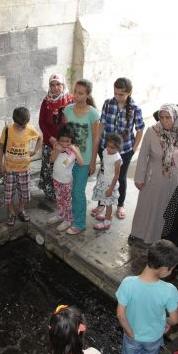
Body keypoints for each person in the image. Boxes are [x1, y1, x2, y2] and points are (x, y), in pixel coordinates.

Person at [113, 239, 178, 354]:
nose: (171, 272)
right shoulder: (169, 290)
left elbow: (120, 314)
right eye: (171, 269)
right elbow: (175, 319)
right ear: (164, 269)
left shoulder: (128, 284)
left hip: (133, 336)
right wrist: (166, 323)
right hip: (154, 337)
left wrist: (129, 331)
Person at [129, 104, 178, 245]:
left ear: (175, 117)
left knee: (168, 208)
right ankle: (139, 233)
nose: (164, 121)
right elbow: (143, 155)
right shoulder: (152, 131)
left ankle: (162, 238)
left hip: (176, 178)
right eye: (161, 117)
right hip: (155, 176)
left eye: (168, 117)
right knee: (148, 206)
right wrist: (139, 178)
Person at [92, 77, 145, 220]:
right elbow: (102, 123)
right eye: (115, 93)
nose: (117, 96)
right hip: (106, 148)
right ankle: (102, 203)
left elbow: (140, 130)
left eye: (121, 94)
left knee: (120, 177)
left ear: (129, 93)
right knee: (104, 176)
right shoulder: (108, 103)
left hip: (124, 151)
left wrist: (133, 149)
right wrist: (98, 142)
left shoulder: (135, 108)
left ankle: (120, 204)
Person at [62, 79, 100, 235]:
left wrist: (93, 161)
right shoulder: (67, 110)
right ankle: (68, 216)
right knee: (67, 189)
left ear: (88, 95)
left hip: (84, 160)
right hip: (68, 158)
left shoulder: (93, 113)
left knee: (78, 191)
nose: (76, 95)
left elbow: (96, 139)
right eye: (75, 91)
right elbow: (64, 134)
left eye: (80, 93)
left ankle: (80, 223)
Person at [0, 107, 41, 226]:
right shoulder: (7, 129)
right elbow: (0, 147)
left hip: (24, 169)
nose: (22, 127)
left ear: (27, 121)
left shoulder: (30, 129)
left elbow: (40, 138)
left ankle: (21, 210)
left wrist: (35, 151)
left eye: (24, 125)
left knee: (24, 193)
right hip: (9, 169)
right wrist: (1, 165)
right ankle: (11, 212)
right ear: (14, 120)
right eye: (19, 125)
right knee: (8, 194)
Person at [38, 74, 74, 201]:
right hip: (50, 143)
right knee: (49, 167)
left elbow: (74, 122)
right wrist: (51, 139)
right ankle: (50, 193)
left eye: (58, 84)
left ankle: (64, 193)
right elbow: (42, 122)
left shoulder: (70, 101)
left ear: (63, 85)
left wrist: (66, 141)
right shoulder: (46, 101)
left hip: (66, 143)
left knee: (64, 167)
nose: (55, 88)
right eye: (52, 85)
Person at [47, 127, 85, 232]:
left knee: (66, 201)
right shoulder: (57, 147)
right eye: (62, 140)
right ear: (58, 139)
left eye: (67, 141)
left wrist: (75, 150)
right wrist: (57, 151)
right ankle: (61, 215)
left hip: (66, 182)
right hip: (56, 179)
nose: (64, 143)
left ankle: (68, 220)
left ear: (72, 140)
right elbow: (51, 160)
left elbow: (81, 163)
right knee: (59, 199)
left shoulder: (73, 151)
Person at [91, 133, 123, 231]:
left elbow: (116, 176)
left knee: (108, 203)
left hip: (110, 184)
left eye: (112, 147)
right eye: (108, 146)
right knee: (104, 201)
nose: (109, 149)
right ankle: (107, 216)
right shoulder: (105, 151)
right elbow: (104, 165)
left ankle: (107, 222)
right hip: (103, 181)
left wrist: (110, 189)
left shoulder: (117, 159)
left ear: (118, 148)